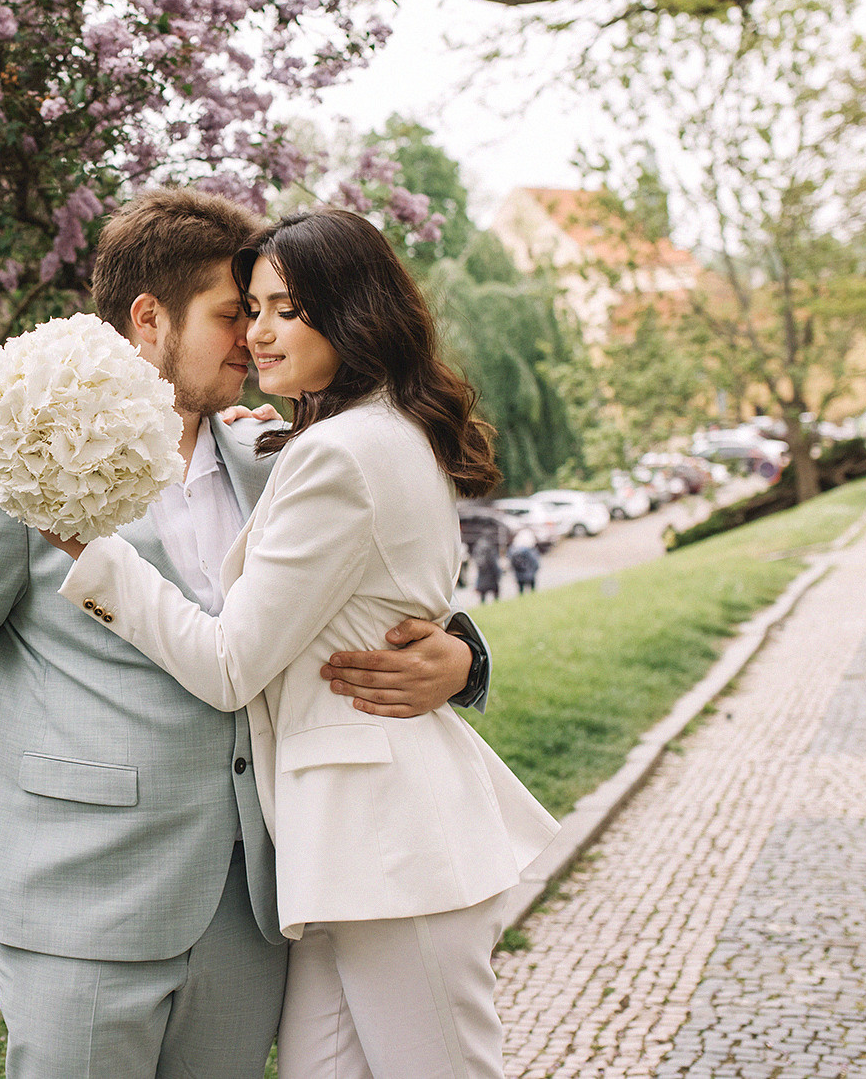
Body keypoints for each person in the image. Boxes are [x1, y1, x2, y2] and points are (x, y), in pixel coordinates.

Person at [0, 188, 495, 1079]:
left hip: (251, 904)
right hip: (86, 895)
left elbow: (373, 586)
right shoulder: (25, 454)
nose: (253, 336)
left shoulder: (271, 451)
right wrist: (44, 756)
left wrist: (464, 657)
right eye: (232, 314)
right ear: (148, 319)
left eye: (266, 311)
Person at [43, 209, 557, 1079]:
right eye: (250, 308)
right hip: (344, 846)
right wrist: (464, 655)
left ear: (351, 313)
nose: (259, 331)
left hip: (391, 839)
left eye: (287, 308)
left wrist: (101, 563)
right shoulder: (356, 436)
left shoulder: (343, 454)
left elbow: (230, 664)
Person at [472, 534, 503, 603]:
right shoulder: (490, 548)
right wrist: (499, 573)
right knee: (495, 592)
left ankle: (482, 604)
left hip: (482, 574)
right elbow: (493, 562)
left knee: (483, 594)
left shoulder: (478, 547)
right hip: (491, 575)